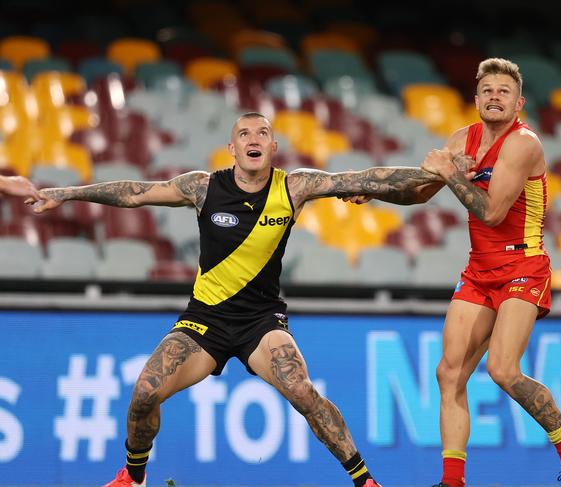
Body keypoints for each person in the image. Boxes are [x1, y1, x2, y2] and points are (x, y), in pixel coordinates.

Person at [28, 112, 470, 487]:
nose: (253, 140)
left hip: (261, 322)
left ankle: (366, 481)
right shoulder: (202, 188)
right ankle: (134, 477)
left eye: (262, 134)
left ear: (273, 147)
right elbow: (135, 193)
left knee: (303, 392)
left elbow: (368, 178)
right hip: (204, 323)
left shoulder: (294, 187)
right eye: (244, 135)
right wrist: (66, 193)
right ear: (232, 149)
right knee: (144, 393)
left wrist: (439, 173)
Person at [347, 58, 561, 487]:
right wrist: (374, 192)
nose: (494, 97)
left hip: (523, 265)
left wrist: (451, 172)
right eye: (487, 90)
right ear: (476, 98)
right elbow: (422, 191)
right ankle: (453, 482)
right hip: (480, 271)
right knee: (449, 373)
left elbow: (491, 210)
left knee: (503, 370)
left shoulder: (524, 144)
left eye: (503, 91)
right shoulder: (463, 139)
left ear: (518, 102)